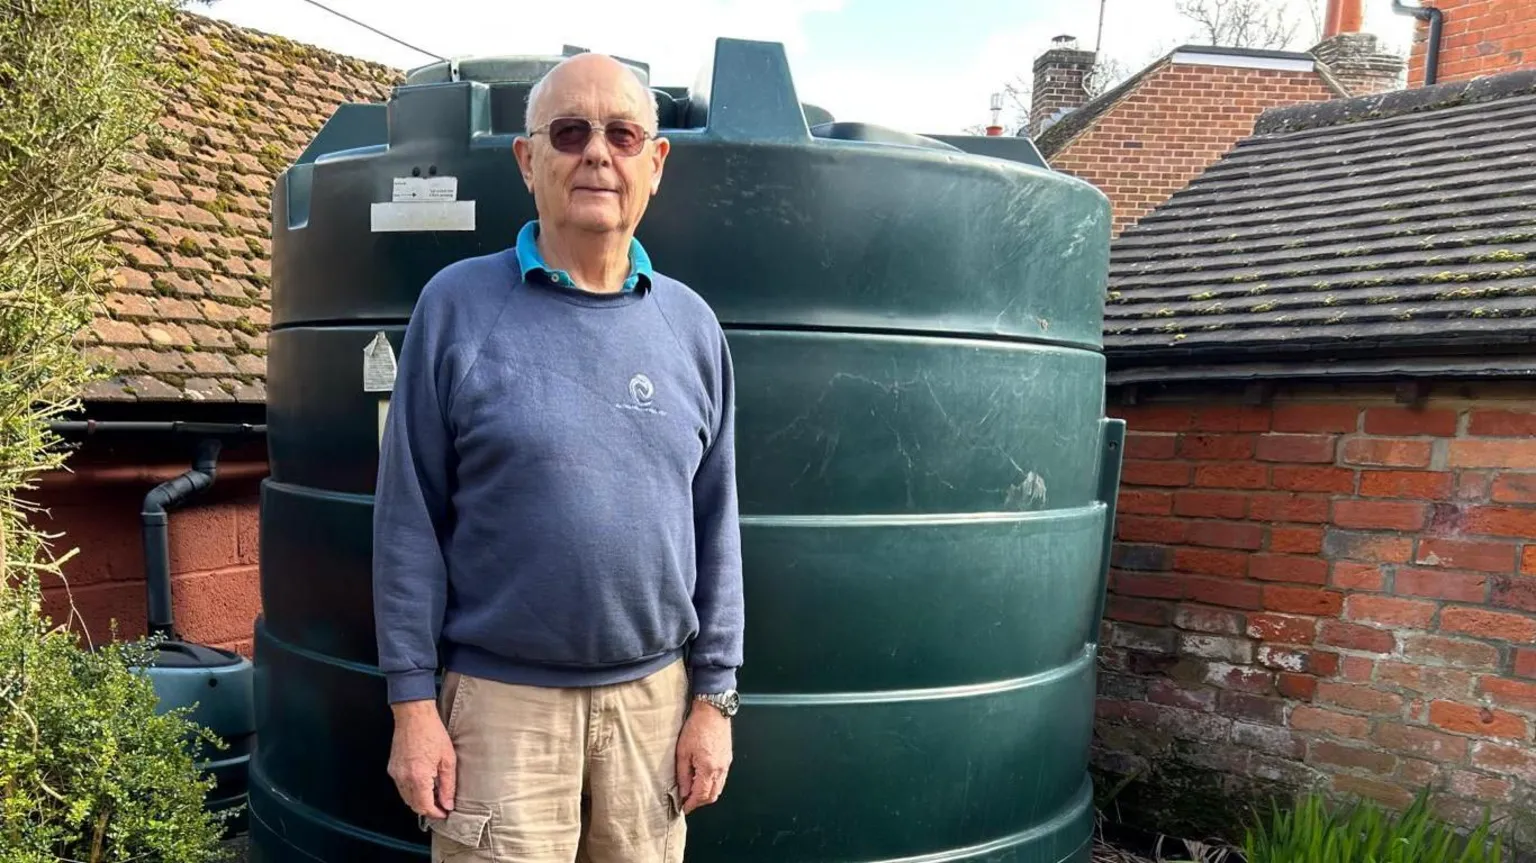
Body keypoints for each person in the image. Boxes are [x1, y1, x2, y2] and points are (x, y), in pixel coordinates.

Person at [372, 52, 744, 863]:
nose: (597, 154)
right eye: (570, 132)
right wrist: (411, 705)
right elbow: (408, 524)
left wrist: (714, 697)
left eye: (622, 133)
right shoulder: (457, 308)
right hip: (499, 712)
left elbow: (717, 527)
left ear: (656, 161)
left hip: (654, 707)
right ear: (527, 157)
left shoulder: (693, 328)